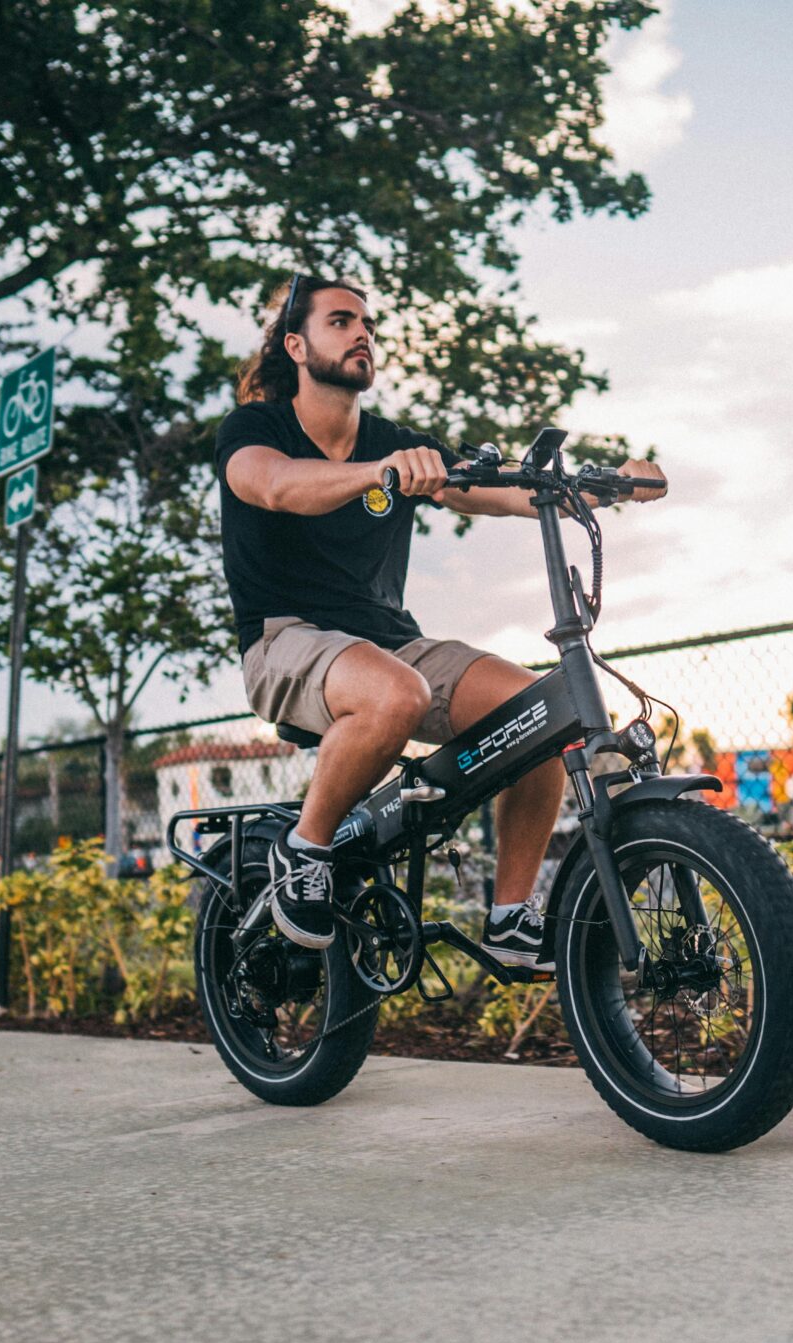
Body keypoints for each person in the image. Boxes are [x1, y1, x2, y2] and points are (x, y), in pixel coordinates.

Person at [216, 273, 667, 967]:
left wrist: (602, 486)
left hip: (393, 643)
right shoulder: (256, 429)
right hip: (286, 640)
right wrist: (379, 474)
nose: (362, 333)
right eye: (341, 321)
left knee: (541, 714)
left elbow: (498, 491)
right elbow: (273, 485)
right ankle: (302, 852)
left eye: (366, 323)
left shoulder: (395, 440)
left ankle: (513, 914)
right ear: (296, 346)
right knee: (395, 693)